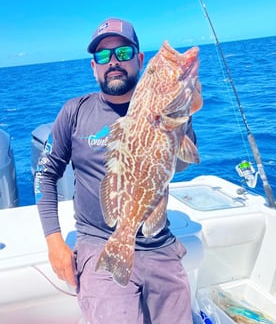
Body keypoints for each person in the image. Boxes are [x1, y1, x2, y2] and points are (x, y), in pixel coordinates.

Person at [35, 17, 203, 324]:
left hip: (158, 242)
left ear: (139, 59)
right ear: (93, 66)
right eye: (102, 55)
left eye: (123, 53)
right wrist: (54, 243)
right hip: (100, 242)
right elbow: (46, 175)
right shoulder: (75, 112)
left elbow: (178, 164)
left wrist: (183, 113)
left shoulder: (167, 113)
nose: (113, 61)